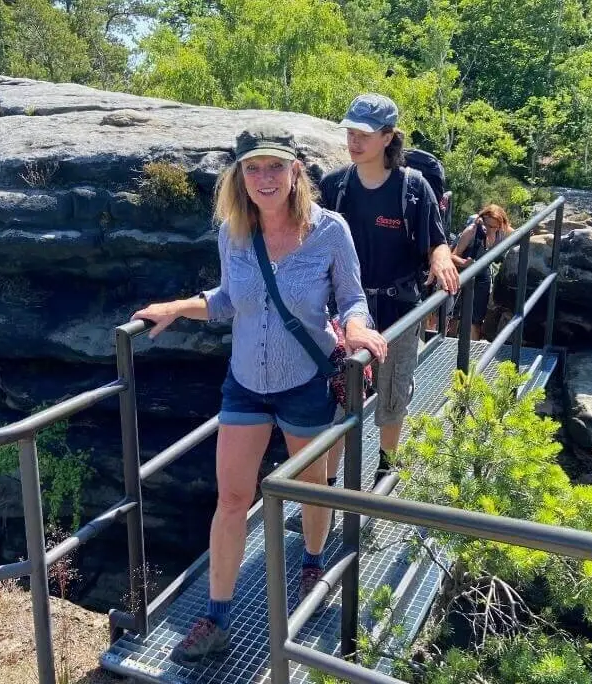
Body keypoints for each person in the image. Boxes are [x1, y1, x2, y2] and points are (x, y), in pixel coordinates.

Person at [131, 126, 387, 666]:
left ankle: (313, 560)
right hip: (245, 382)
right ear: (239, 176)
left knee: (312, 490)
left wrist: (359, 327)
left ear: (296, 171)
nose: (264, 179)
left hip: (304, 385)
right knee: (230, 499)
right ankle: (217, 617)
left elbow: (353, 298)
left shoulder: (329, 230)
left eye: (275, 167)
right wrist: (179, 306)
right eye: (253, 168)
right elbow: (228, 299)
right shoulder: (233, 232)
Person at [317, 93, 458, 488]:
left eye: (364, 133)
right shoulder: (335, 187)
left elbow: (436, 239)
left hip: (398, 309)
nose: (354, 140)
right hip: (347, 310)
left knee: (392, 392)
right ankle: (329, 484)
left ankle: (386, 467)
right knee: (341, 397)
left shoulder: (412, 189)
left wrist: (441, 257)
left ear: (387, 137)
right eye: (350, 131)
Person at [448, 204, 512, 340]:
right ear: (481, 219)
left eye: (494, 227)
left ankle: (472, 356)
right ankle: (450, 345)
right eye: (487, 225)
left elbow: (516, 232)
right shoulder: (472, 230)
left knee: (476, 319)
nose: (489, 229)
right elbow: (452, 255)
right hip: (462, 273)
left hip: (482, 274)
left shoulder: (501, 231)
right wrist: (464, 263)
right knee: (455, 317)